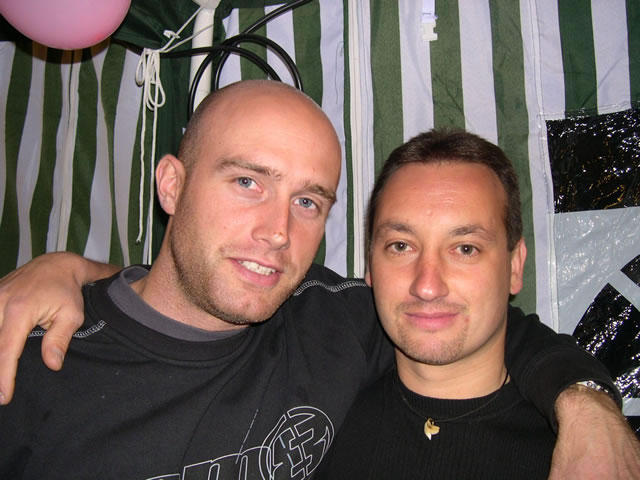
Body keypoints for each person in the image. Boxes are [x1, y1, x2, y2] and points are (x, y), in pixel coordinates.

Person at [0, 80, 637, 479]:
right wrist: (70, 271)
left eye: (307, 201)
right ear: (171, 184)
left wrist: (587, 406)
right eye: (247, 181)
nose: (278, 231)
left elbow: (482, 322)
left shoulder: (331, 318)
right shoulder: (27, 362)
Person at [317, 130, 640, 479]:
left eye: (465, 249)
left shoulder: (582, 458)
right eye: (401, 246)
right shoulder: (318, 430)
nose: (427, 286)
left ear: (514, 267)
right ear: (371, 264)